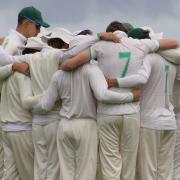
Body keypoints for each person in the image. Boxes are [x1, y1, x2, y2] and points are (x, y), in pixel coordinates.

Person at [60, 21, 178, 180]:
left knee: (110, 166)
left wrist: (97, 38)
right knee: (129, 168)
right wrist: (150, 45)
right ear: (124, 32)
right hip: (131, 113)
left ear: (108, 33)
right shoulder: (139, 44)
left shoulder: (100, 45)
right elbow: (173, 42)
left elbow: (68, 63)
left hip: (107, 112)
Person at [32, 36, 141, 180]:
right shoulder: (92, 70)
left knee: (66, 172)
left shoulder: (58, 74)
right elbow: (102, 95)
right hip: (86, 125)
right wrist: (130, 97)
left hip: (64, 125)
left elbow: (45, 105)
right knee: (86, 173)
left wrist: (28, 107)